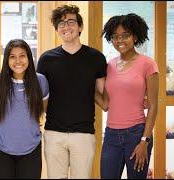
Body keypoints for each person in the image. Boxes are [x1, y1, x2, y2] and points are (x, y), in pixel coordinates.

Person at [36, 4, 107, 179]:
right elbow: (40, 96)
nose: (66, 26)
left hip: (83, 133)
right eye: (61, 23)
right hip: (54, 133)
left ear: (80, 27)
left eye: (71, 22)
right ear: (57, 30)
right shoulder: (46, 59)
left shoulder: (96, 58)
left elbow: (103, 97)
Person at [100, 13, 159, 179]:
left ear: (134, 37)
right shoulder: (109, 65)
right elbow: (105, 104)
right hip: (111, 134)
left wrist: (144, 141)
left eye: (125, 35)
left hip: (136, 134)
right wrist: (86, 87)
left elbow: (153, 105)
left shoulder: (148, 64)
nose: (120, 40)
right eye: (115, 36)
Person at [0, 39, 49, 179]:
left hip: (31, 149)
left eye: (22, 55)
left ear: (29, 57)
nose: (18, 61)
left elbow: (43, 109)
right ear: (7, 60)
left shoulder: (40, 81)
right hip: (0, 148)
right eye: (12, 56)